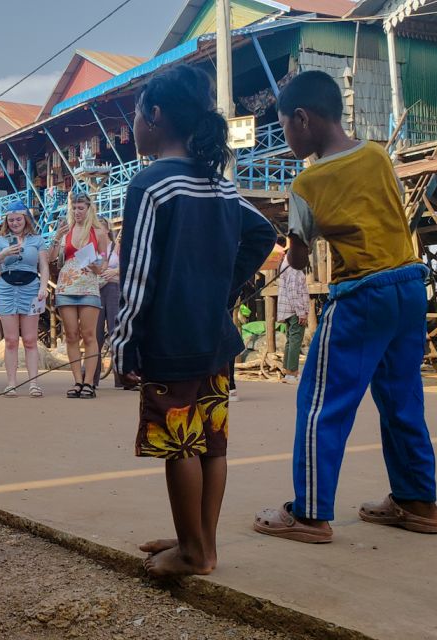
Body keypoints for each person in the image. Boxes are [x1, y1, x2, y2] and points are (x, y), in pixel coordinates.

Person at [254, 70, 437, 543]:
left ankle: (309, 513)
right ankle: (418, 501)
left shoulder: (308, 182)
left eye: (285, 128)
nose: (286, 138)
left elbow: (297, 259)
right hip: (408, 285)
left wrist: (293, 244)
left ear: (303, 118)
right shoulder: (379, 155)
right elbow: (390, 212)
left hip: (361, 293)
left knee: (322, 403)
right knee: (402, 399)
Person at [111, 64, 276, 577]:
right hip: (214, 338)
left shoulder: (151, 184)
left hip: (170, 338)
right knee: (211, 440)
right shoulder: (219, 185)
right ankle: (202, 542)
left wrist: (123, 341)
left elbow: (136, 276)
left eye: (135, 115)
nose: (133, 126)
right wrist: (220, 288)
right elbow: (264, 234)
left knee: (178, 440)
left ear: (155, 117)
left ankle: (191, 552)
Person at [48, 192, 109, 399]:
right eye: (74, 208)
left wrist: (96, 264)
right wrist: (56, 237)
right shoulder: (66, 230)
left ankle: (89, 382)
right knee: (71, 334)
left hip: (88, 284)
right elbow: (51, 257)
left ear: (89, 208)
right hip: (66, 284)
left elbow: (104, 264)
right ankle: (76, 381)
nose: (77, 212)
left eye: (81, 208)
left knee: (89, 334)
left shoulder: (98, 232)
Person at [0, 201, 50, 397]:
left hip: (31, 287)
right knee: (11, 340)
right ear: (7, 221)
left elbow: (44, 266)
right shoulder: (0, 241)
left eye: (18, 219)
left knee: (30, 339)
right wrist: (3, 255)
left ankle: (33, 383)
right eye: (11, 219)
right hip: (7, 288)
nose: (15, 223)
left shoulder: (37, 240)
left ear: (25, 219)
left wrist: (43, 287)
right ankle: (11, 383)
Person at [94, 218, 123, 389]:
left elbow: (129, 265)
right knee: (94, 334)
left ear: (106, 230)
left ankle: (121, 377)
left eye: (99, 229)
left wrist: (114, 271)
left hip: (113, 289)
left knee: (116, 332)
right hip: (96, 291)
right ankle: (92, 377)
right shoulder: (93, 249)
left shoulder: (116, 247)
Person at [276, 238, 309, 384]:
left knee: (290, 340)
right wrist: (301, 312)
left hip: (287, 308)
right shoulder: (294, 268)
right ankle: (292, 373)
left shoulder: (285, 265)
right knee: (295, 340)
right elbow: (294, 292)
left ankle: (287, 371)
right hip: (294, 309)